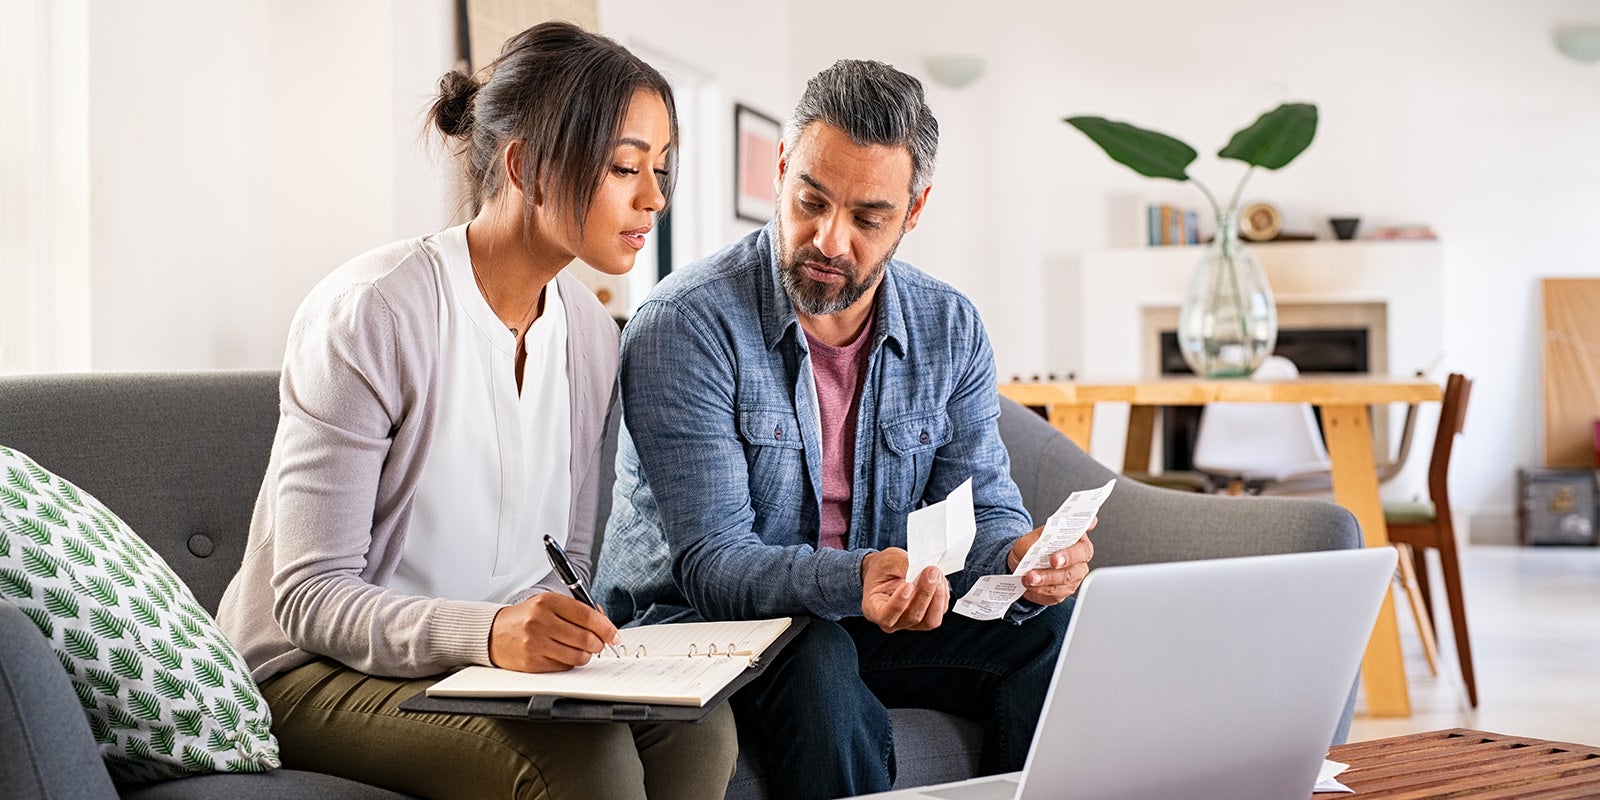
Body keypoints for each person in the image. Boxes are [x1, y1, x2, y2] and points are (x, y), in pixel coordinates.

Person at [216, 22, 737, 800]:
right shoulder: (373, 313)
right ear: (525, 166)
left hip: (484, 667)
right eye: (626, 167)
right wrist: (489, 633)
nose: (654, 197)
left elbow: (566, 564)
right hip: (313, 671)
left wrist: (567, 636)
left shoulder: (593, 336)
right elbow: (309, 598)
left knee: (700, 729)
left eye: (659, 169)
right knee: (587, 765)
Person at [594, 59, 1095, 800]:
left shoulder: (950, 326)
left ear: (913, 212)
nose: (829, 241)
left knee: (1054, 629)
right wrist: (858, 581)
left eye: (867, 219)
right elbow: (714, 564)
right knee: (819, 653)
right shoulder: (686, 324)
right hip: (693, 625)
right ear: (781, 170)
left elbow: (983, 506)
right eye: (811, 202)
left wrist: (1021, 558)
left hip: (861, 611)